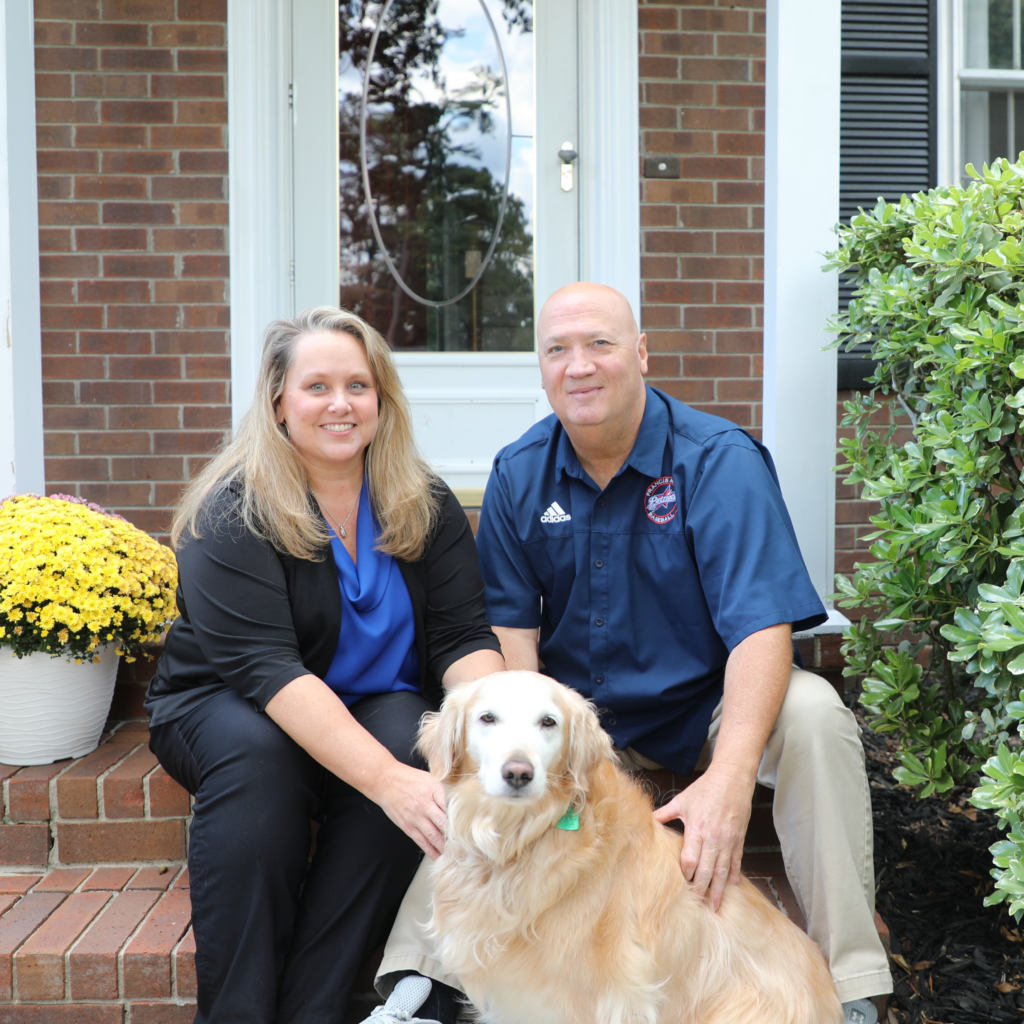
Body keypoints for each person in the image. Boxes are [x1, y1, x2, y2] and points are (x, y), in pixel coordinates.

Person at [365, 283, 892, 1024]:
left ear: (640, 353)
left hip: (704, 707)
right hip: (581, 726)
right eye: (558, 351)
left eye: (600, 344)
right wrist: (538, 750)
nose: (579, 366)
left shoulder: (718, 460)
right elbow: (516, 659)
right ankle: (422, 983)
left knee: (815, 714)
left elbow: (762, 629)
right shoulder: (520, 473)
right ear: (542, 370)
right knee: (489, 772)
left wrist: (733, 778)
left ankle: (855, 985)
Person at [144, 306, 504, 1024]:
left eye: (358, 386)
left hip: (371, 701)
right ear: (279, 403)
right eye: (317, 387)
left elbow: (463, 638)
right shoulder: (233, 511)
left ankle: (315, 1008)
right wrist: (390, 784)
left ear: (381, 400)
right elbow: (269, 672)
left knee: (415, 740)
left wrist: (501, 723)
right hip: (227, 704)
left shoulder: (422, 501)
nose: (340, 404)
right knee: (262, 760)